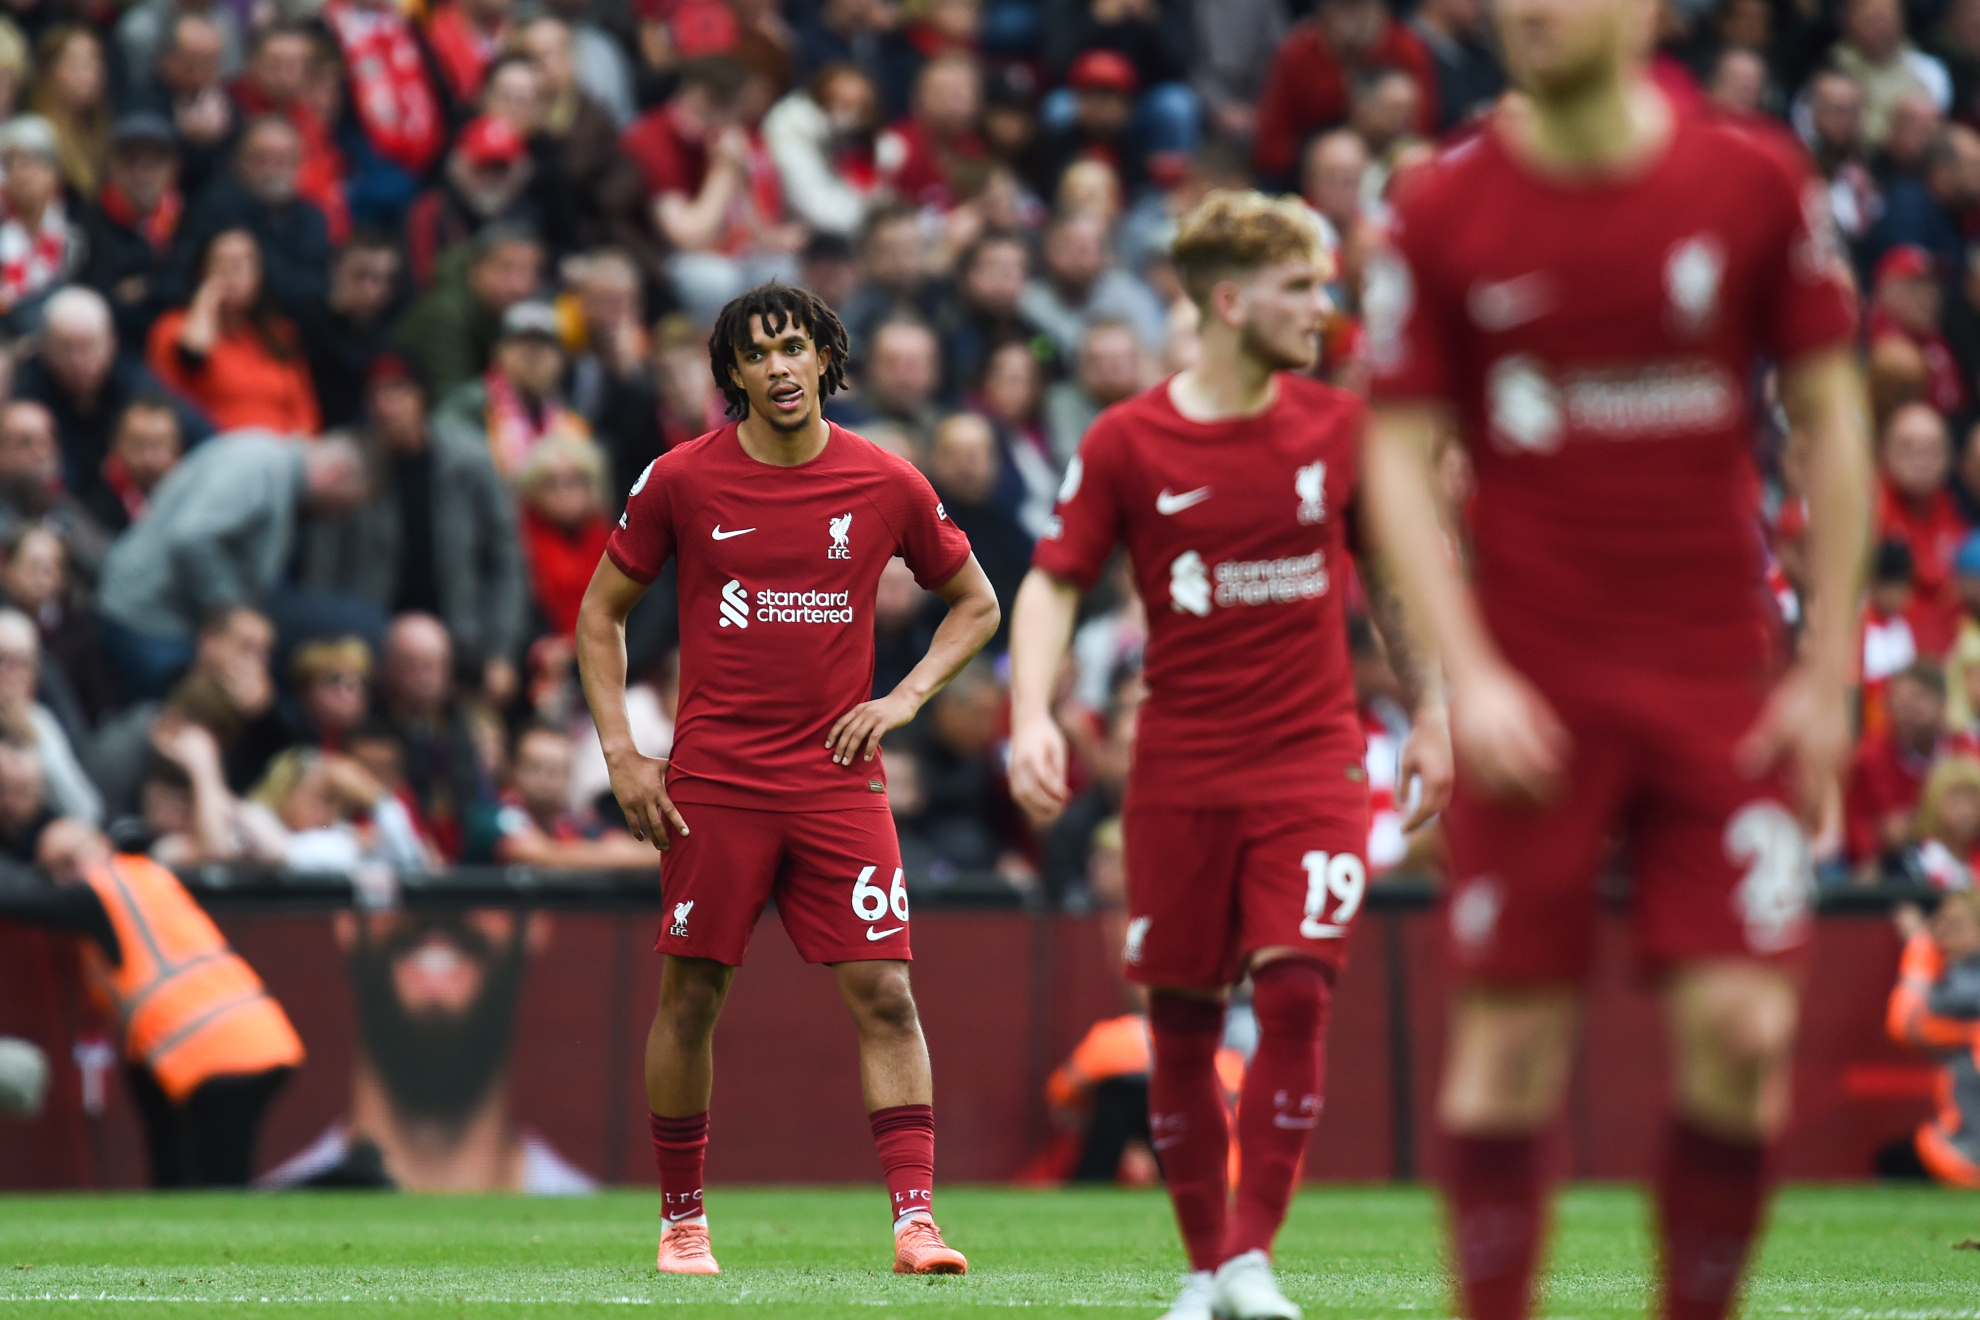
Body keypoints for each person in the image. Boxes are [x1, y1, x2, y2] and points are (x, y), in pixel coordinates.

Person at [1358, 0, 1869, 1315]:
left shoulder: (1753, 179)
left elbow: (1831, 413)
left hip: (1717, 681)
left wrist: (1825, 674)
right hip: (1536, 685)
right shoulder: (1443, 205)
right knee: (1513, 1045)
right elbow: (1398, 457)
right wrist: (1469, 673)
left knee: (1742, 1035)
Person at [1008, 190, 1452, 1320]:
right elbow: (1054, 580)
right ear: (1228, 298)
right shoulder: (1125, 441)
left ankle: (1253, 1259)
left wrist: (1437, 711)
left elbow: (1399, 583)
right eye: (1303, 286)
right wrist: (1032, 713)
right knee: (1182, 1019)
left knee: (1296, 987)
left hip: (1310, 765)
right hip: (1179, 774)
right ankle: (1205, 1269)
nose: (1323, 306)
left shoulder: (1338, 430)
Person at [574, 282, 999, 1276]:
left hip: (837, 781)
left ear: (824, 360)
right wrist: (623, 755)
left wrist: (904, 700)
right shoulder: (680, 479)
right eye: (757, 355)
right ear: (732, 375)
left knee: (887, 994)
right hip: (714, 784)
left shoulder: (886, 481)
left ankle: (916, 1223)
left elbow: (975, 604)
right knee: (692, 998)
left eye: (794, 348)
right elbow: (602, 615)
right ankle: (683, 1223)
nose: (779, 368)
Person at [0, 817, 304, 1187]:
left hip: (217, 1050)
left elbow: (16, 897)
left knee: (217, 1187)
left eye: (70, 859)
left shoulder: (102, 889)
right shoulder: (145, 877)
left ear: (101, 846)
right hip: (245, 1039)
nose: (66, 876)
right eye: (54, 871)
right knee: (186, 1171)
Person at [260, 904, 593, 1192]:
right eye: (404, 861)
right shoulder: (258, 1242)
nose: (439, 901)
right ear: (346, 916)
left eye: (472, 861)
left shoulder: (602, 1250)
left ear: (536, 917)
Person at [300, 356, 524, 699]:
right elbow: (322, 567)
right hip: (368, 647)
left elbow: (507, 561)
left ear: (422, 399)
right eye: (376, 395)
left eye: (398, 392)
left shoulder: (470, 462)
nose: (387, 406)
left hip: (460, 641)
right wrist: (327, 647)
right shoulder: (347, 468)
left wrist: (500, 653)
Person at [95, 434, 371, 699]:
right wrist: (231, 612)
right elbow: (193, 537)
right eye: (342, 505)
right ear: (335, 473)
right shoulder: (259, 466)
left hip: (166, 622)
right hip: (147, 621)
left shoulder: (274, 473)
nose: (335, 516)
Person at [147, 226, 322, 437]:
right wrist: (205, 304)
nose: (232, 273)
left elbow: (305, 413)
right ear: (204, 271)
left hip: (281, 452)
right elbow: (185, 365)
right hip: (213, 449)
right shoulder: (173, 327)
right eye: (223, 264)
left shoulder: (280, 333)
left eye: (243, 264)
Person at [1887, 886, 1980, 1185]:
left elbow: (1905, 1022)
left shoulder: (1967, 983)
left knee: (1892, 1165)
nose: (1942, 933)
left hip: (1968, 1148)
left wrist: (1920, 946)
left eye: (1955, 925)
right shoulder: (1961, 971)